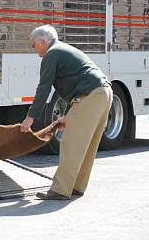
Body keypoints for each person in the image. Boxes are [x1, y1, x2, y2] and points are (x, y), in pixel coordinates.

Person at [20, 25, 113, 200]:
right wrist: (67, 115)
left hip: (92, 96)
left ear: (42, 41)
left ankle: (61, 190)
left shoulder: (52, 54)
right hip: (103, 93)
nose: (34, 50)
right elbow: (78, 83)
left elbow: (44, 88)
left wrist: (30, 118)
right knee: (87, 145)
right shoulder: (62, 49)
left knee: (71, 142)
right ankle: (76, 186)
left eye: (34, 45)